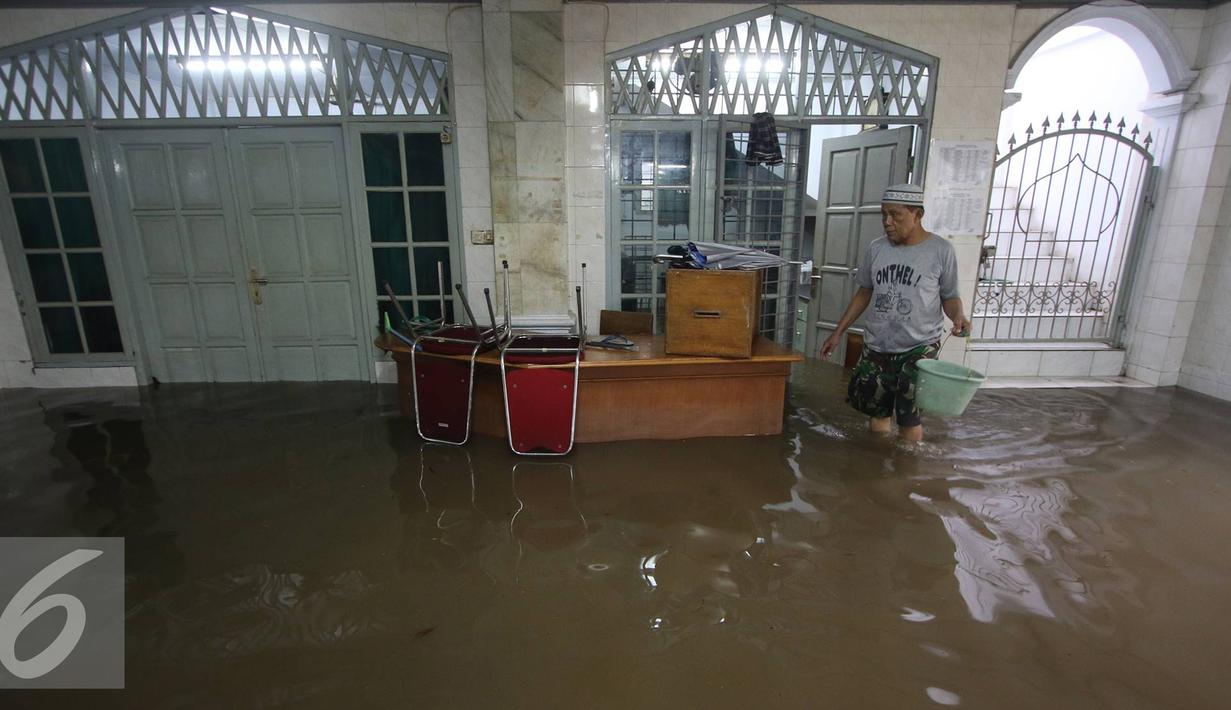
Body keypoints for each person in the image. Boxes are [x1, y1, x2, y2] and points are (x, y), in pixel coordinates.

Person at [820, 183, 972, 442]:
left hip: (919, 346)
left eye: (895, 214)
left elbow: (949, 296)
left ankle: (906, 472)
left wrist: (958, 316)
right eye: (884, 215)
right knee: (876, 411)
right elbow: (864, 292)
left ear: (917, 214)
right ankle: (878, 463)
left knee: (908, 416)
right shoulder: (877, 249)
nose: (887, 222)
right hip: (878, 344)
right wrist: (838, 332)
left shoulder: (940, 251)